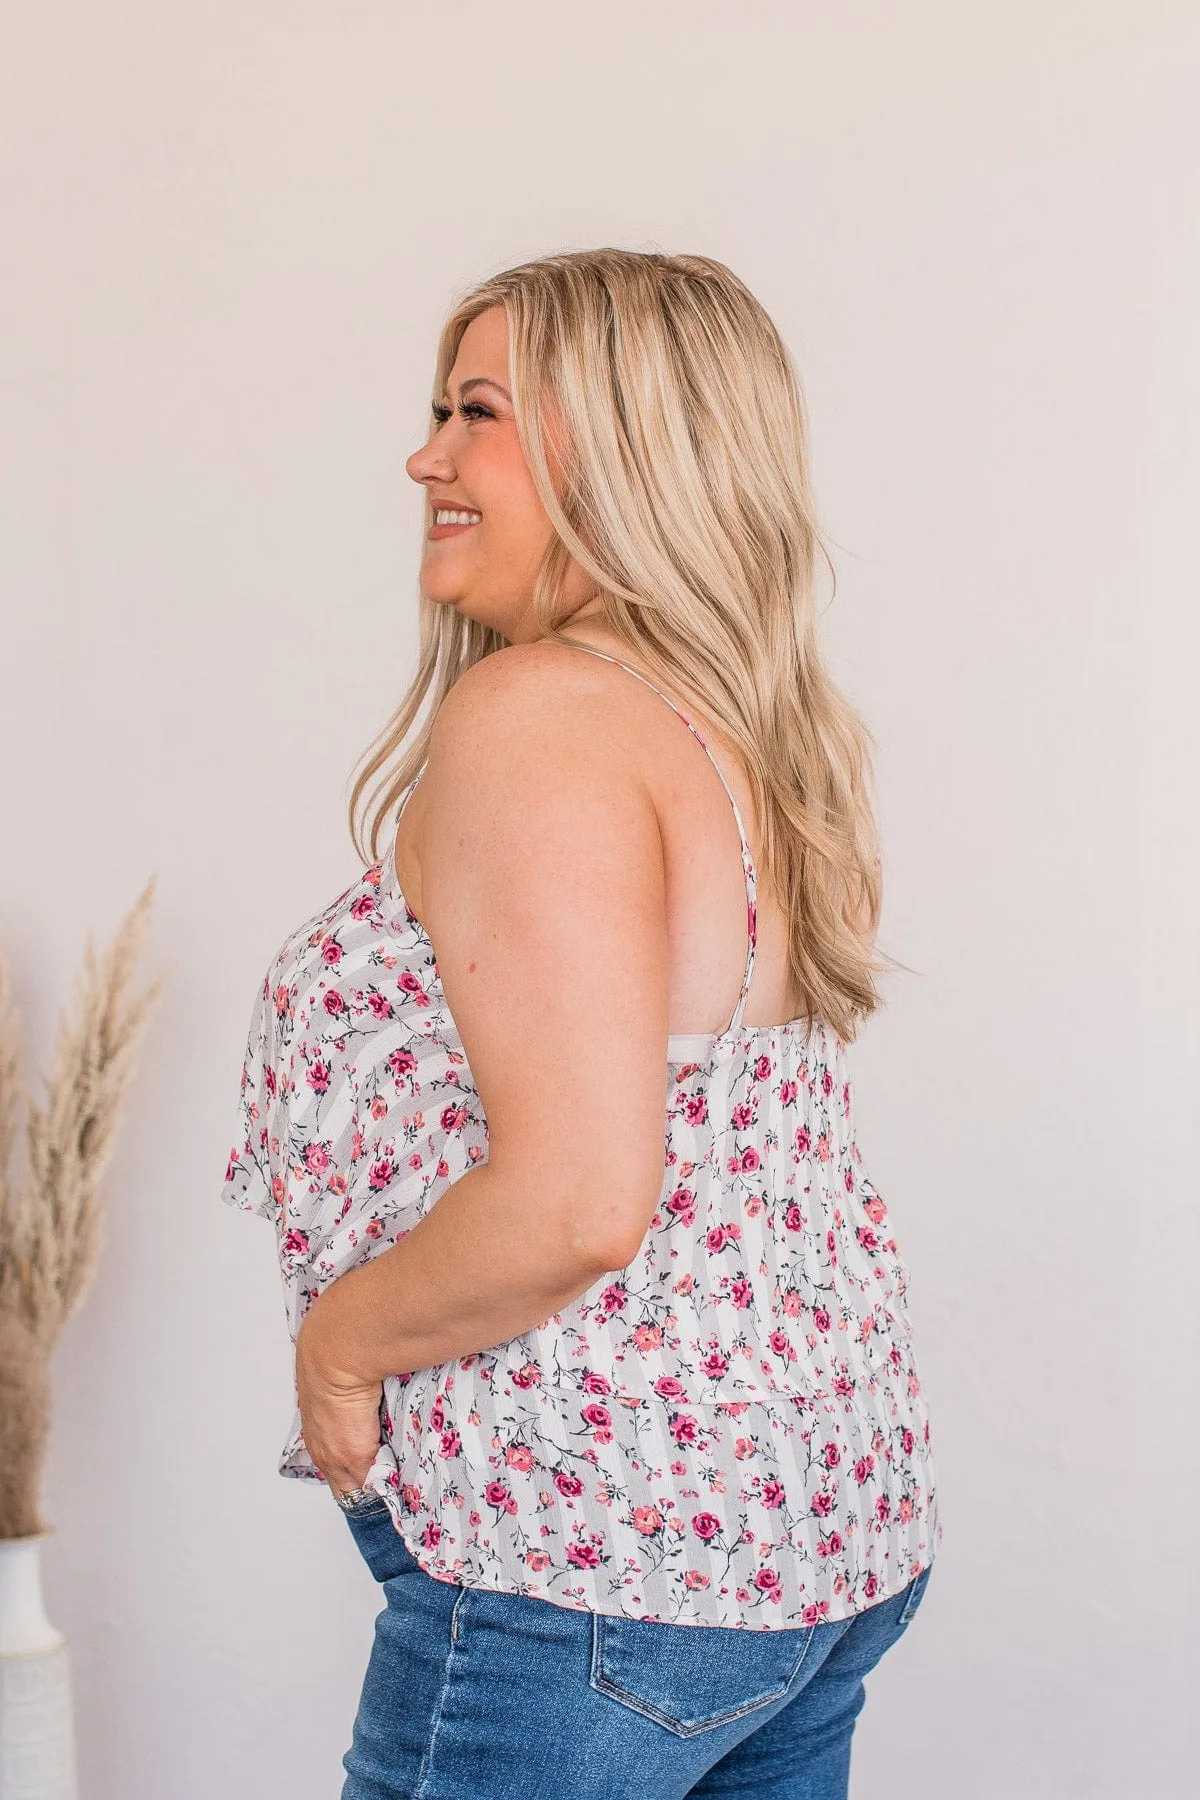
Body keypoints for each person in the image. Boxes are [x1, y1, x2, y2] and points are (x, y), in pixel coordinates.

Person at [221, 248, 943, 1800]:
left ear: (616, 450)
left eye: (475, 413)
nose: (425, 457)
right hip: (809, 1537)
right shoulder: (757, 731)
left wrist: (340, 1351)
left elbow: (577, 1199)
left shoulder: (540, 719)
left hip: (593, 1557)